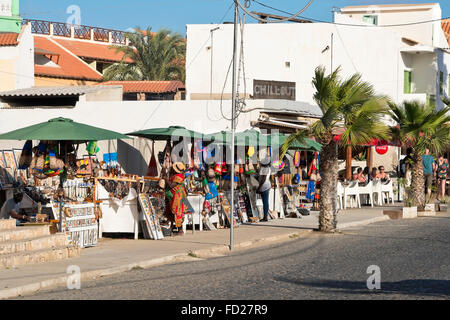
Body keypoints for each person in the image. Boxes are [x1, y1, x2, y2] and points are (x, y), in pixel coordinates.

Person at [165, 162, 188, 236]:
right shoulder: (177, 175)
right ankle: (172, 229)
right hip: (176, 196)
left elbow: (171, 185)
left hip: (178, 196)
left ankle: (180, 230)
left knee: (177, 211)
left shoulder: (179, 176)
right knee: (173, 211)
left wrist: (166, 179)